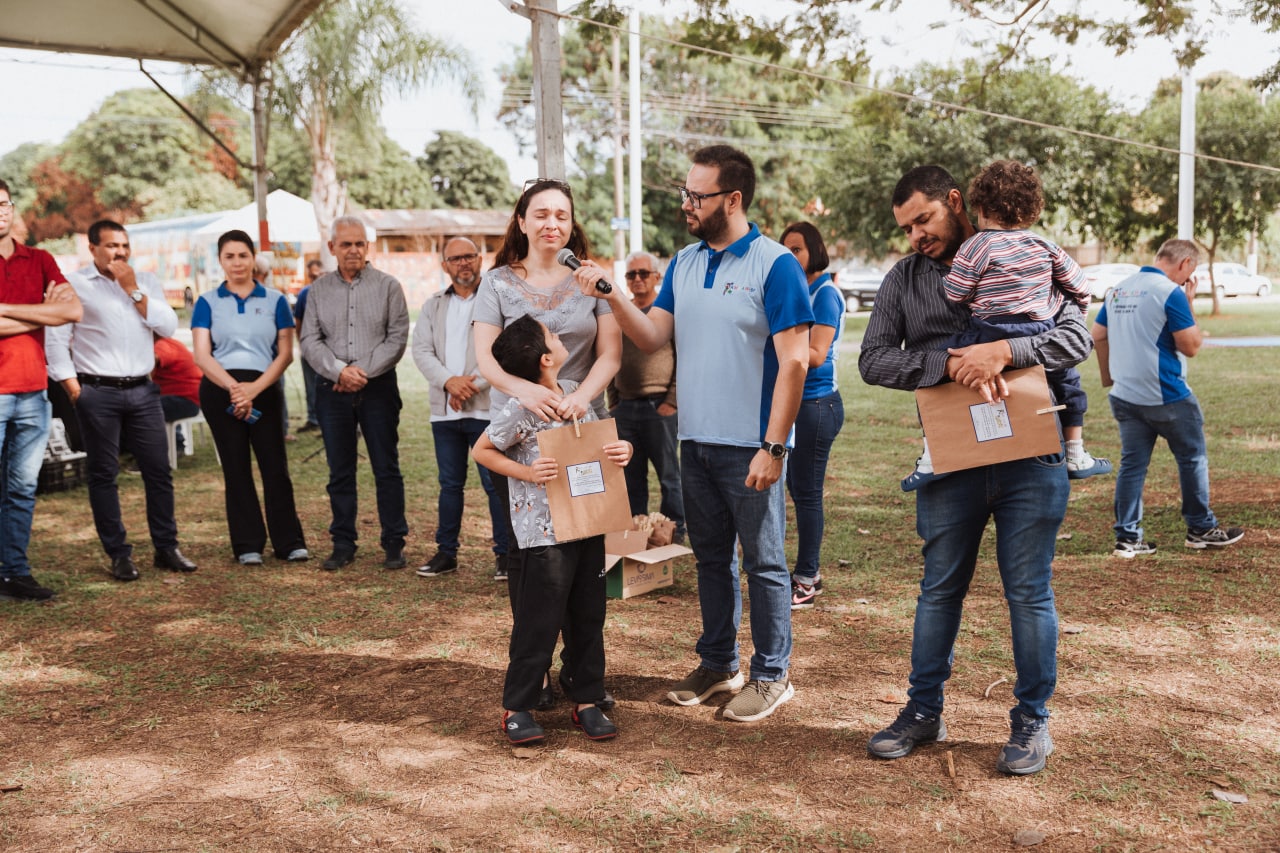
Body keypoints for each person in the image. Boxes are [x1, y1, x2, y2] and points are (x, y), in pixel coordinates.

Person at [859, 165, 1093, 776]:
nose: (915, 236)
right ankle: (922, 711)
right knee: (939, 591)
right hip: (952, 464)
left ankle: (1032, 721)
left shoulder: (1029, 257)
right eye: (906, 228)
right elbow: (874, 360)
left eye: (924, 220)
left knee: (1029, 594)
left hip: (1031, 459)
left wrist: (1008, 350)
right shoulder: (904, 281)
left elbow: (1078, 337)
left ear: (956, 202)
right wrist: (953, 362)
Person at [576, 145, 813, 723]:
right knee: (711, 559)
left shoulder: (775, 264)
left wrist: (774, 445)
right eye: (685, 192)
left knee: (763, 563)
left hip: (752, 446)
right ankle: (718, 663)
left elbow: (796, 363)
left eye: (696, 195)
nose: (686, 203)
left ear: (731, 199)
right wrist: (609, 293)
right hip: (696, 441)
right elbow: (654, 336)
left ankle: (772, 674)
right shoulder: (683, 262)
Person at [473, 178, 621, 709]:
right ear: (521, 221)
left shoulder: (590, 281)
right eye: (540, 214)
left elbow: (610, 355)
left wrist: (580, 396)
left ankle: (582, 675)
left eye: (561, 214)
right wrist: (529, 393)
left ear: (571, 222)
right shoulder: (495, 283)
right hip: (521, 430)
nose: (551, 223)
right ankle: (531, 670)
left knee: (584, 552)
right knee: (530, 555)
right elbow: (487, 359)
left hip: (584, 425)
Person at [898, 159, 1108, 490]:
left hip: (990, 327)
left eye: (922, 221)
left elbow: (955, 292)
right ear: (1031, 211)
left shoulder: (977, 246)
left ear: (977, 206)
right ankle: (1076, 451)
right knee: (1069, 382)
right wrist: (1063, 310)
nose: (914, 237)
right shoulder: (1045, 246)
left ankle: (930, 457)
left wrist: (969, 301)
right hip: (1039, 327)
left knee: (932, 367)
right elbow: (1081, 286)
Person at [471, 314, 631, 745]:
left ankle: (586, 700)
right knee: (538, 620)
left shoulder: (580, 395)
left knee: (588, 614)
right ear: (545, 358)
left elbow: (604, 441)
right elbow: (482, 450)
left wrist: (624, 449)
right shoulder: (523, 406)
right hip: (544, 534)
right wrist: (523, 471)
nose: (562, 338)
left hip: (588, 523)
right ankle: (517, 707)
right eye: (554, 337)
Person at [45, 218, 198, 582]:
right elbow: (56, 341)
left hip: (143, 390)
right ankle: (119, 553)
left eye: (125, 246)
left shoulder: (144, 281)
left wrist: (133, 290)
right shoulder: (75, 285)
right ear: (93, 248)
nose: (120, 252)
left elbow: (166, 326)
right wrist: (74, 390)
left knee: (158, 471)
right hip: (96, 391)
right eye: (112, 246)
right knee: (103, 474)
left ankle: (166, 546)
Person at [1091, 239, 1244, 557]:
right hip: (1167, 395)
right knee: (1192, 458)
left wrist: (1108, 377)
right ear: (1185, 264)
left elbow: (1098, 334)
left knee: (1133, 465)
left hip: (1125, 394)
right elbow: (1191, 346)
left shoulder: (1120, 288)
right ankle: (1200, 529)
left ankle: (1127, 539)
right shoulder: (1169, 292)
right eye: (1193, 271)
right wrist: (1188, 306)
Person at [191, 230, 308, 566]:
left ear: (253, 257)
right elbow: (202, 354)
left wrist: (254, 390)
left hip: (265, 389)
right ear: (220, 261)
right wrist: (234, 389)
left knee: (275, 467)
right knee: (236, 466)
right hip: (220, 389)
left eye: (243, 255)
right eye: (230, 256)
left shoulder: (274, 300)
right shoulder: (207, 302)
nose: (237, 262)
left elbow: (285, 353)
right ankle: (247, 544)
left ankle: (289, 542)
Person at [300, 216, 410, 571]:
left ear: (367, 247)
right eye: (345, 244)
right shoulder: (318, 290)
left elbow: (397, 337)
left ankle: (394, 542)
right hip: (332, 390)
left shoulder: (389, 286)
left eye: (359, 244)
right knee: (340, 470)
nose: (353, 250)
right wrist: (339, 371)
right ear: (332, 248)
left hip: (378, 388)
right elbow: (309, 340)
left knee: (386, 467)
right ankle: (343, 542)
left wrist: (360, 372)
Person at [0, 179, 82, 601]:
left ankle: (14, 573)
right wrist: (42, 314)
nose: (0, 212)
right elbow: (55, 313)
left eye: (4, 204)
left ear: (13, 208)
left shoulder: (41, 259)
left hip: (34, 391)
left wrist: (9, 310)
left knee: (21, 488)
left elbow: (72, 310)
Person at [411, 236, 510, 578]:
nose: (463, 263)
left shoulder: (495, 299)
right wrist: (449, 382)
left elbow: (502, 351)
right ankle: (446, 553)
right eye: (455, 259)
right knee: (449, 484)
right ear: (444, 266)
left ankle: (505, 554)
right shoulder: (433, 305)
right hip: (445, 410)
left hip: (485, 408)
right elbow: (422, 351)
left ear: (480, 260)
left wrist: (470, 384)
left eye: (469, 256)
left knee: (493, 483)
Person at [779, 222, 844, 610]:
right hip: (798, 403)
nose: (790, 256)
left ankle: (806, 579)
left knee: (806, 493)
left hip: (818, 405)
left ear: (814, 251)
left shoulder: (825, 294)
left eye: (797, 249)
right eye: (785, 249)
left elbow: (816, 354)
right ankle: (809, 571)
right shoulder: (800, 289)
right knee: (797, 490)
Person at [609, 251, 685, 543]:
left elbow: (682, 358)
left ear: (657, 277)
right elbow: (611, 356)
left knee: (669, 475)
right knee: (630, 476)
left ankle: (674, 530)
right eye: (631, 275)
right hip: (625, 408)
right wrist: (613, 399)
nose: (637, 279)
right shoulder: (620, 313)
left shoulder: (666, 314)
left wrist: (672, 400)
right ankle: (637, 530)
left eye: (643, 273)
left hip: (660, 406)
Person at [293, 259, 323, 434]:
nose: (316, 276)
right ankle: (313, 418)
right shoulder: (305, 293)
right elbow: (299, 320)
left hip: (326, 349)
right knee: (310, 384)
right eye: (313, 273)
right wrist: (301, 342)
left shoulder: (330, 293)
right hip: (309, 346)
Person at [152, 335, 203, 424]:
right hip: (192, 399)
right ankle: (176, 437)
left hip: (185, 400)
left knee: (140, 408)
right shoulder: (172, 343)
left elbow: (155, 357)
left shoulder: (162, 344)